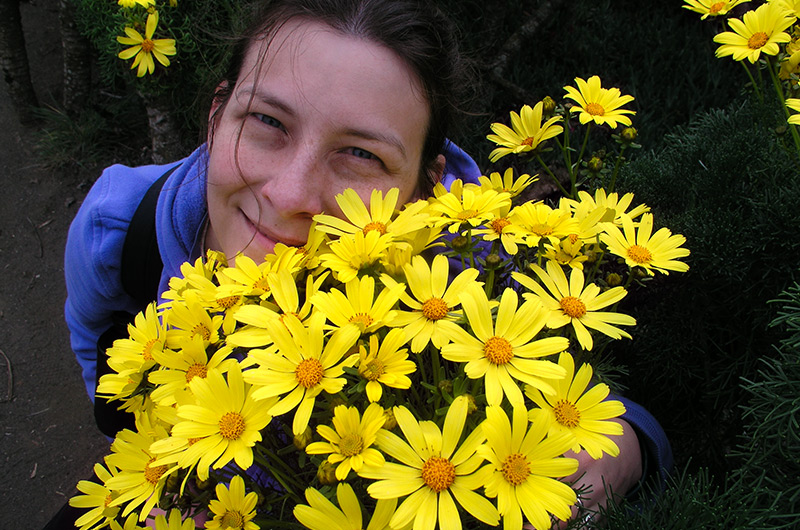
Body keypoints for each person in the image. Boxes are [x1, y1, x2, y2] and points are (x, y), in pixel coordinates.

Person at [63, 0, 671, 526]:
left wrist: (624, 455)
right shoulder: (117, 232)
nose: (290, 195)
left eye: (359, 154)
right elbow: (104, 365)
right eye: (268, 121)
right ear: (219, 115)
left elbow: (604, 410)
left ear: (425, 189)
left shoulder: (468, 276)